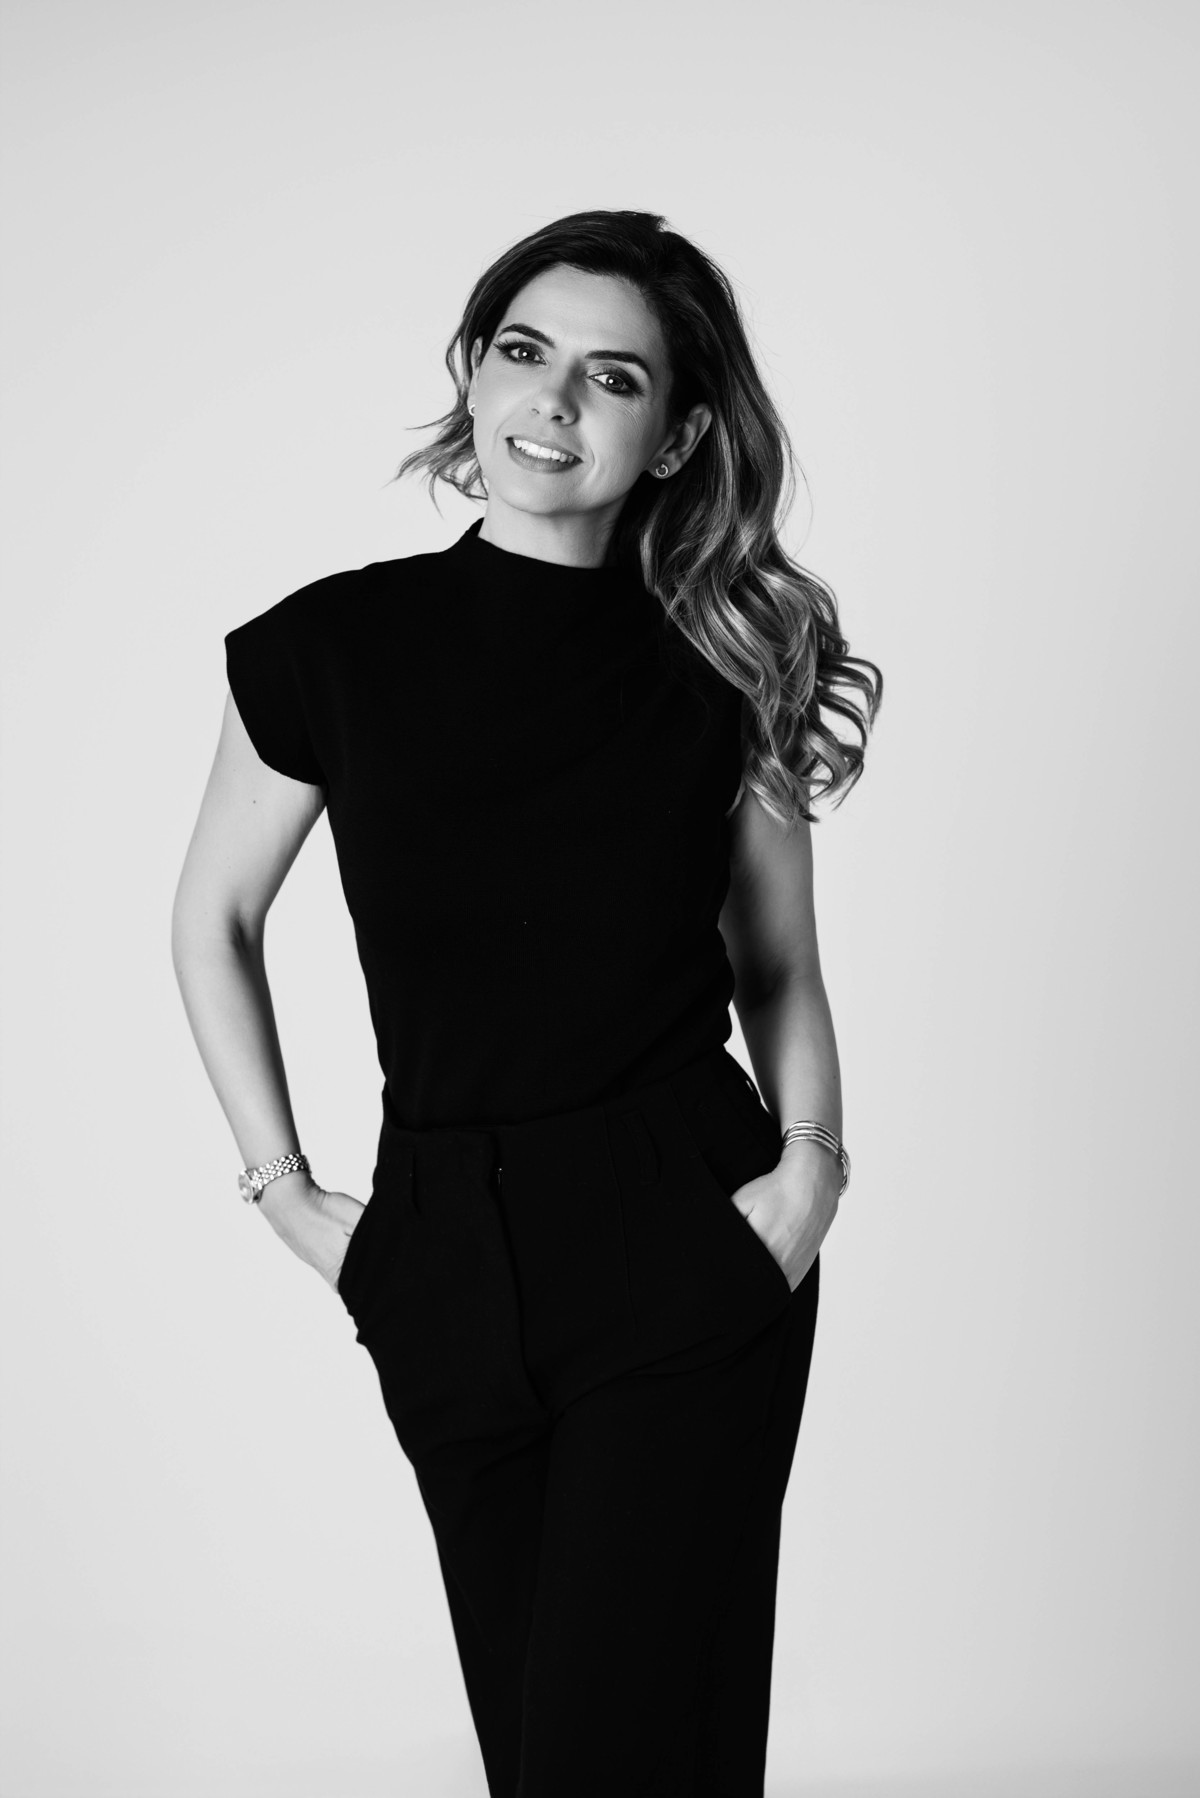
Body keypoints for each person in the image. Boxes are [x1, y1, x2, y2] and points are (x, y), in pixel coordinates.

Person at [171, 208, 883, 1797]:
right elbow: (213, 916)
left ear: (674, 435)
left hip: (678, 1226)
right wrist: (292, 1197)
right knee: (553, 1756)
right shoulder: (328, 648)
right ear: (475, 374)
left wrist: (810, 1173)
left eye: (612, 376)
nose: (553, 400)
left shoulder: (726, 658)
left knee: (615, 1756)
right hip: (440, 1256)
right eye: (523, 350)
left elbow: (778, 962)